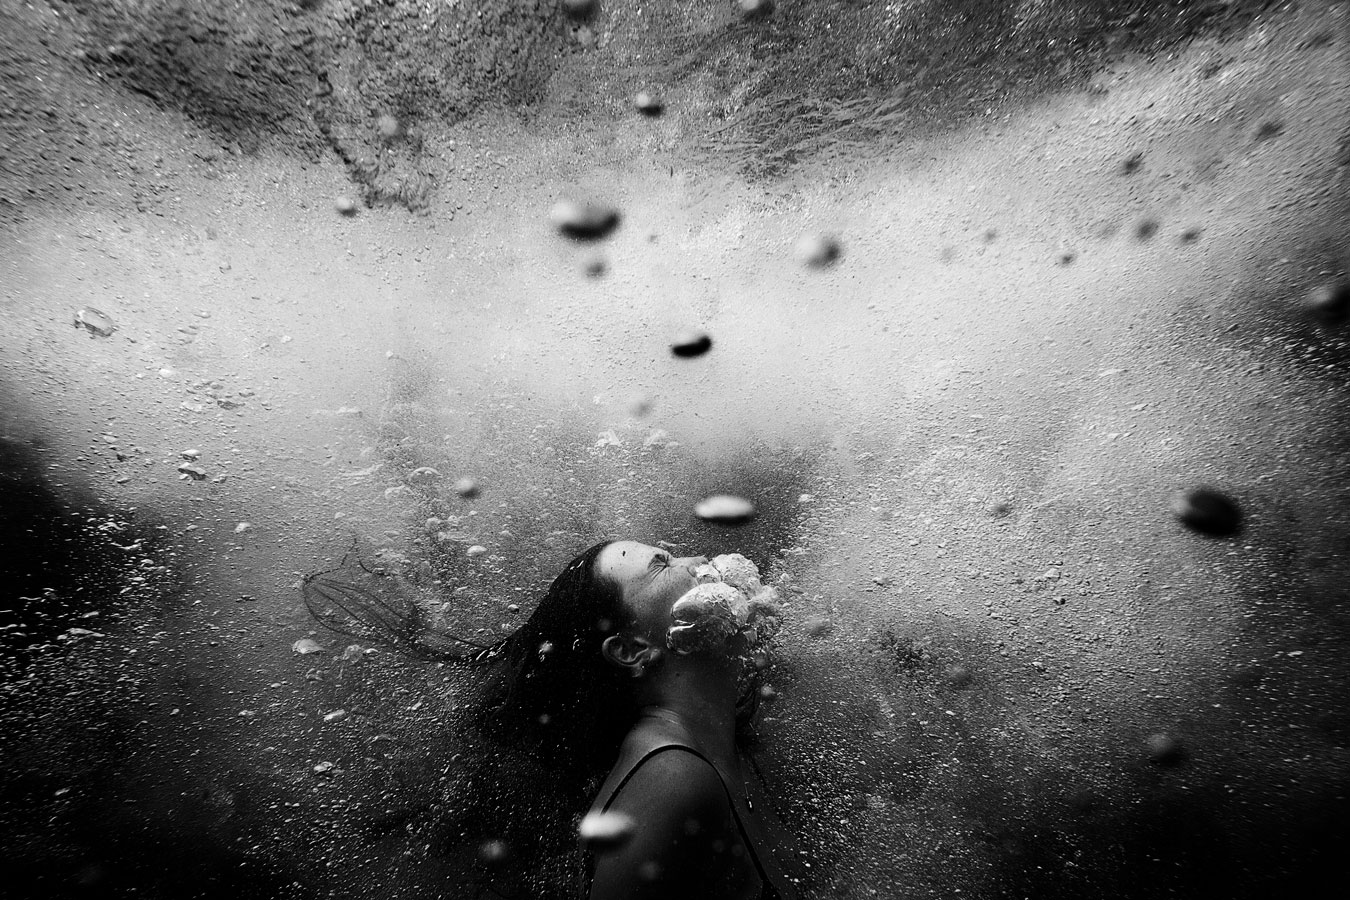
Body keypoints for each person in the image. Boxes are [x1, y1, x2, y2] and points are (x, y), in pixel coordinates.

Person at [303, 539, 803, 899]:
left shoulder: (717, 744)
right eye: (661, 564)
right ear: (631, 650)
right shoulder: (675, 779)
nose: (699, 562)